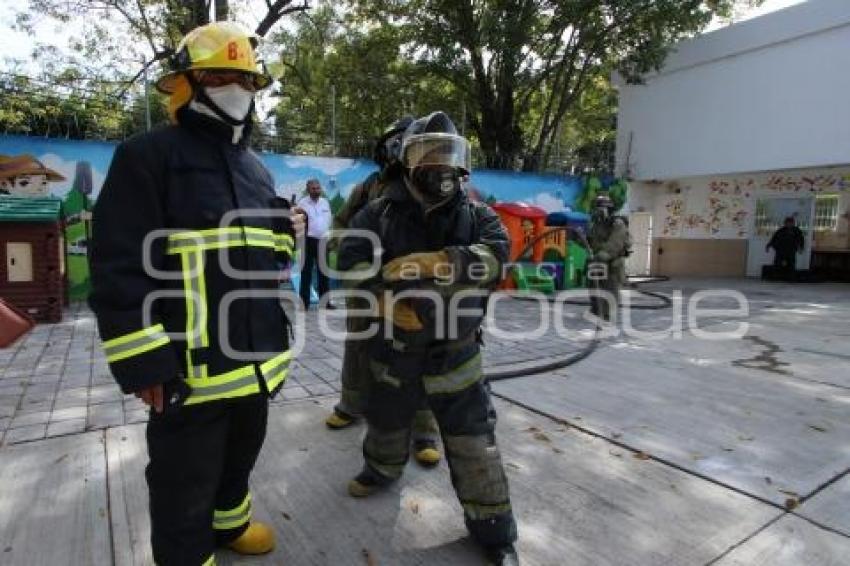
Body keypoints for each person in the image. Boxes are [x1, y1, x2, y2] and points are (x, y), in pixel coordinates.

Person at [89, 22, 304, 566]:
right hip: (187, 373)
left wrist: (285, 235)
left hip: (255, 364)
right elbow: (118, 264)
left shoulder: (254, 169)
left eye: (247, 79)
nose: (237, 88)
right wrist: (144, 363)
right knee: (184, 482)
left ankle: (230, 526)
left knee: (239, 459)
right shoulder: (147, 156)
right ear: (186, 83)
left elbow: (262, 255)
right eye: (220, 74)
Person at [338, 111, 519, 565]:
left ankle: (494, 531)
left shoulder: (478, 215)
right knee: (386, 419)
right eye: (431, 152)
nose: (441, 164)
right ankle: (380, 470)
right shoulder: (376, 212)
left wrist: (441, 261)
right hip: (394, 349)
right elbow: (349, 260)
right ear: (407, 160)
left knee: (475, 441)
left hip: (457, 353)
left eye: (449, 153)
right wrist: (381, 300)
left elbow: (497, 256)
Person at [325, 116, 442, 469]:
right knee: (358, 346)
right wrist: (349, 252)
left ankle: (424, 433)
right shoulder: (369, 186)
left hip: (414, 287)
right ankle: (351, 405)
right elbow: (341, 224)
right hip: (369, 287)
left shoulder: (432, 183)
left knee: (422, 355)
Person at [587, 193, 631, 322]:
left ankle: (606, 314)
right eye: (596, 208)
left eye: (600, 209)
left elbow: (616, 242)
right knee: (593, 286)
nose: (597, 211)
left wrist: (603, 254)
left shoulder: (617, 223)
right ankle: (596, 310)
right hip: (597, 260)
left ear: (608, 209)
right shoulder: (597, 223)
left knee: (609, 287)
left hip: (611, 262)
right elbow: (592, 240)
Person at [297, 178, 333, 308]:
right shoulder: (302, 203)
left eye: (318, 188)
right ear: (308, 189)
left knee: (324, 273)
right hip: (307, 241)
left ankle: (326, 303)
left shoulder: (325, 203)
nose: (317, 191)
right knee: (306, 272)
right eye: (314, 189)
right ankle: (303, 304)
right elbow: (298, 222)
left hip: (323, 241)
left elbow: (328, 220)